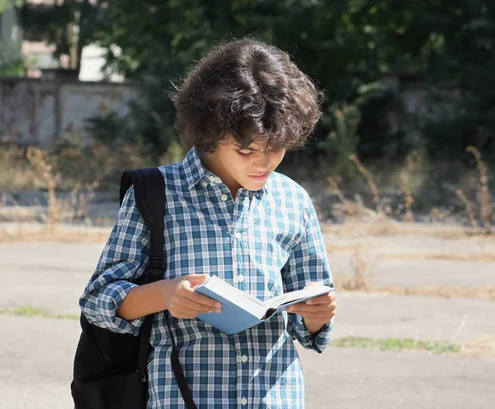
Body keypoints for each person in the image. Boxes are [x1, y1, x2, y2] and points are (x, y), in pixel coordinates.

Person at [79, 37, 337, 409]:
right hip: (184, 398)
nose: (263, 163)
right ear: (210, 132)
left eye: (276, 149)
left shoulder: (293, 200)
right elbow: (98, 299)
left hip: (276, 399)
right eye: (246, 150)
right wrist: (166, 294)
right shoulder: (156, 194)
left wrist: (319, 314)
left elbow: (308, 323)